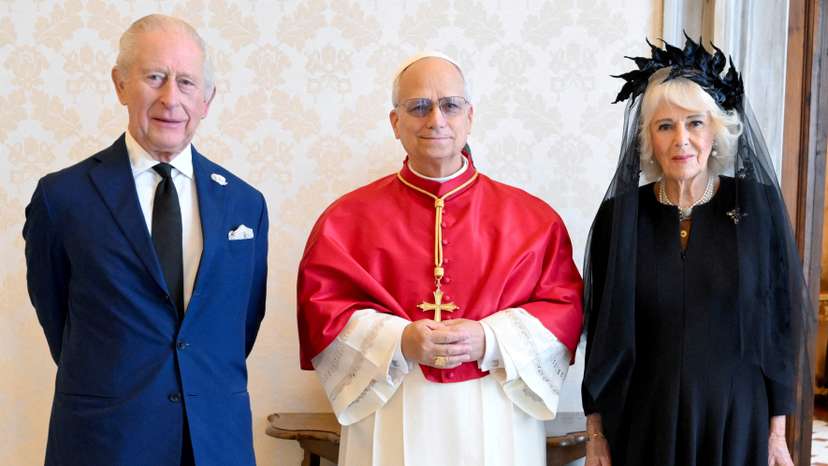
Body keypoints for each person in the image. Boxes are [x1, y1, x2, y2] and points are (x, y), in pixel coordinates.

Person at [296, 52, 583, 466]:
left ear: (470, 116)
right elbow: (321, 311)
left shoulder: (534, 220)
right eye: (418, 107)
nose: (436, 120)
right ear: (395, 123)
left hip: (497, 405)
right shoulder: (344, 221)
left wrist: (490, 338)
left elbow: (565, 308)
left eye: (449, 105)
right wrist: (399, 340)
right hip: (392, 399)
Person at [23, 14, 268, 466]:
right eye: (154, 77)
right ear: (120, 85)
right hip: (105, 441)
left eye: (187, 82)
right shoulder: (63, 199)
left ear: (208, 99)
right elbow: (59, 320)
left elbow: (242, 324)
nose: (171, 98)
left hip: (216, 444)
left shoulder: (244, 205)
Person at [582, 35, 811, 466]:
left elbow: (780, 321)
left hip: (736, 417)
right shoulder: (620, 216)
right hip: (645, 419)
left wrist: (777, 433)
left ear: (716, 130)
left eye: (695, 123)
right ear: (648, 138)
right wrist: (595, 434)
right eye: (665, 126)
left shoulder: (757, 207)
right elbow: (601, 332)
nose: (681, 139)